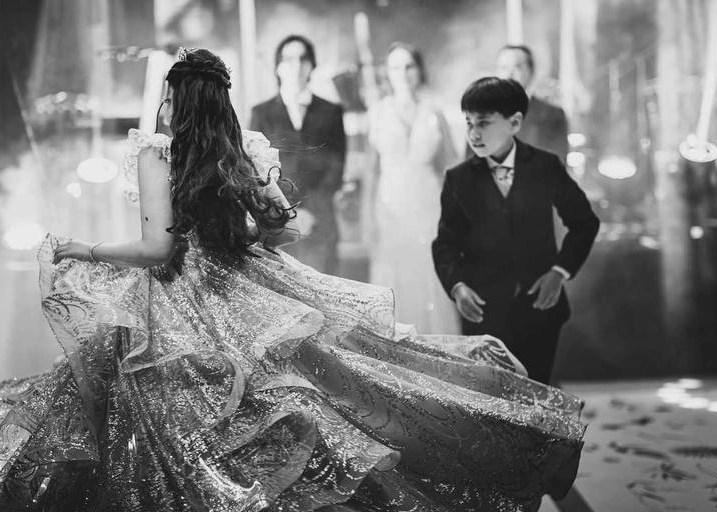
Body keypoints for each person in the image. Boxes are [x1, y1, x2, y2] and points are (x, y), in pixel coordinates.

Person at [0, 50, 585, 511]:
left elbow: (158, 248)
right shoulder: (239, 150)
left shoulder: (157, 154)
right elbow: (280, 230)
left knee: (183, 415)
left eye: (167, 96)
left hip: (182, 296)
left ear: (176, 100)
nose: (162, 106)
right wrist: (247, 222)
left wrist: (82, 248)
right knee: (333, 384)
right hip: (251, 285)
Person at [433, 77, 600, 385]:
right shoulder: (458, 179)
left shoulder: (545, 166)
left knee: (536, 391)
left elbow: (584, 224)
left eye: (484, 123)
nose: (473, 133)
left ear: (514, 123)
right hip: (483, 309)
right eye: (469, 123)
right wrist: (457, 286)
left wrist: (559, 272)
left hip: (539, 306)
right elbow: (445, 244)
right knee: (492, 396)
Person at [367, 42, 459, 334]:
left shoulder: (434, 112)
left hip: (428, 204)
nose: (403, 73)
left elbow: (450, 167)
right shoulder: (378, 112)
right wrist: (367, 218)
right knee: (393, 275)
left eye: (409, 66)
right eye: (395, 67)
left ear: (419, 71)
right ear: (387, 73)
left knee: (429, 272)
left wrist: (454, 216)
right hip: (389, 206)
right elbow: (371, 171)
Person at [250, 35, 345, 275]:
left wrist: (309, 211)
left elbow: (336, 167)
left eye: (303, 59)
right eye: (289, 59)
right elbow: (256, 170)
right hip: (277, 223)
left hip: (320, 220)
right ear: (278, 67)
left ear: (312, 65)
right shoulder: (261, 114)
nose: (296, 65)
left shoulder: (332, 112)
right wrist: (290, 213)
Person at [467, 45, 569, 164]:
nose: (509, 74)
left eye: (517, 67)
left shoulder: (552, 115)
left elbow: (557, 164)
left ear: (531, 72)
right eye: (504, 68)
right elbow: (469, 165)